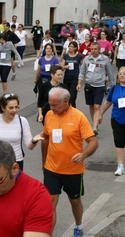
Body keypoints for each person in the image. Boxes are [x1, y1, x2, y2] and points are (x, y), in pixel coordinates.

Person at [40, 87, 98, 237]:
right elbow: (46, 139)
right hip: (52, 168)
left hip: (73, 170)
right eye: (50, 104)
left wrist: (84, 154)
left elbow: (93, 141)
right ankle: (48, 234)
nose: (51, 108)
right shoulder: (49, 115)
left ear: (66, 101)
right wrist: (44, 162)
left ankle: (78, 225)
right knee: (50, 202)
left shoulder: (78, 117)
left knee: (75, 201)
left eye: (55, 105)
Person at [0, 93, 41, 170]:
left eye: (16, 107)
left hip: (16, 162)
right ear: (3, 108)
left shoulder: (22, 121)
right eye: (11, 108)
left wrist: (34, 141)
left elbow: (30, 146)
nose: (14, 110)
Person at [77, 42, 114, 136]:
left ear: (99, 49)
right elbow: (82, 72)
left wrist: (113, 86)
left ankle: (94, 127)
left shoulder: (104, 59)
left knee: (97, 106)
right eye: (92, 49)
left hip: (100, 85)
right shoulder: (87, 59)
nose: (93, 51)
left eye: (95, 49)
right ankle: (95, 121)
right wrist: (79, 83)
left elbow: (109, 73)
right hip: (89, 85)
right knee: (91, 106)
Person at [62, 41, 83, 107]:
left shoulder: (79, 56)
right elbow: (61, 67)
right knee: (66, 96)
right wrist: (65, 67)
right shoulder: (66, 56)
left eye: (71, 46)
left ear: (75, 48)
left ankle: (73, 111)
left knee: (72, 97)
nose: (69, 48)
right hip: (67, 78)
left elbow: (82, 68)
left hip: (75, 78)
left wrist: (82, 78)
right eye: (69, 46)